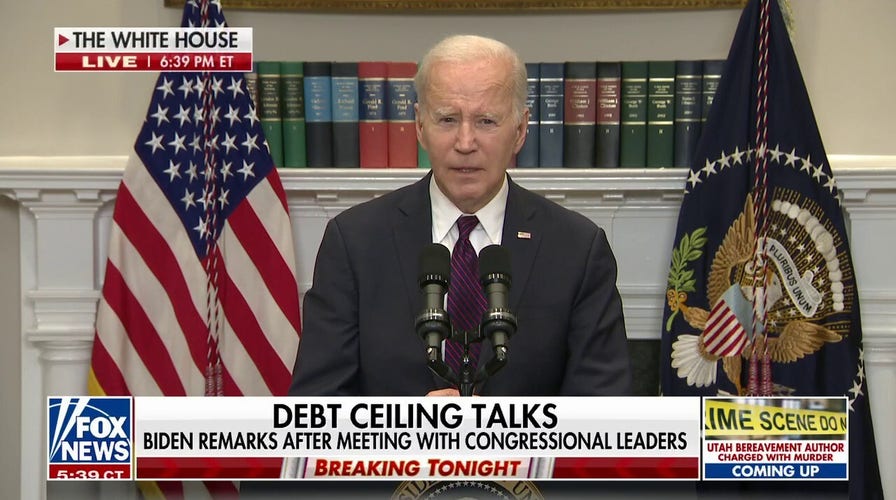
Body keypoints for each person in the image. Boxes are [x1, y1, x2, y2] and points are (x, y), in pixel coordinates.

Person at [289, 34, 631, 397]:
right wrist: (409, 429)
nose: (465, 143)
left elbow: (604, 415)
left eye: (486, 121)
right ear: (420, 126)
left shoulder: (577, 249)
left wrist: (502, 435)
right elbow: (315, 410)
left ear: (520, 130)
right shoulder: (355, 242)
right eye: (448, 119)